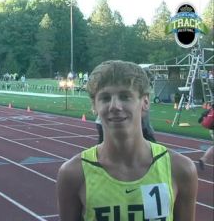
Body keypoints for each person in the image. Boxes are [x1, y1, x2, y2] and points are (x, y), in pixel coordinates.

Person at [57, 60, 198, 221]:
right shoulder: (74, 173)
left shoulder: (180, 169)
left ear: (145, 102)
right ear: (94, 106)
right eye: (105, 98)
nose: (115, 106)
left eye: (125, 97)